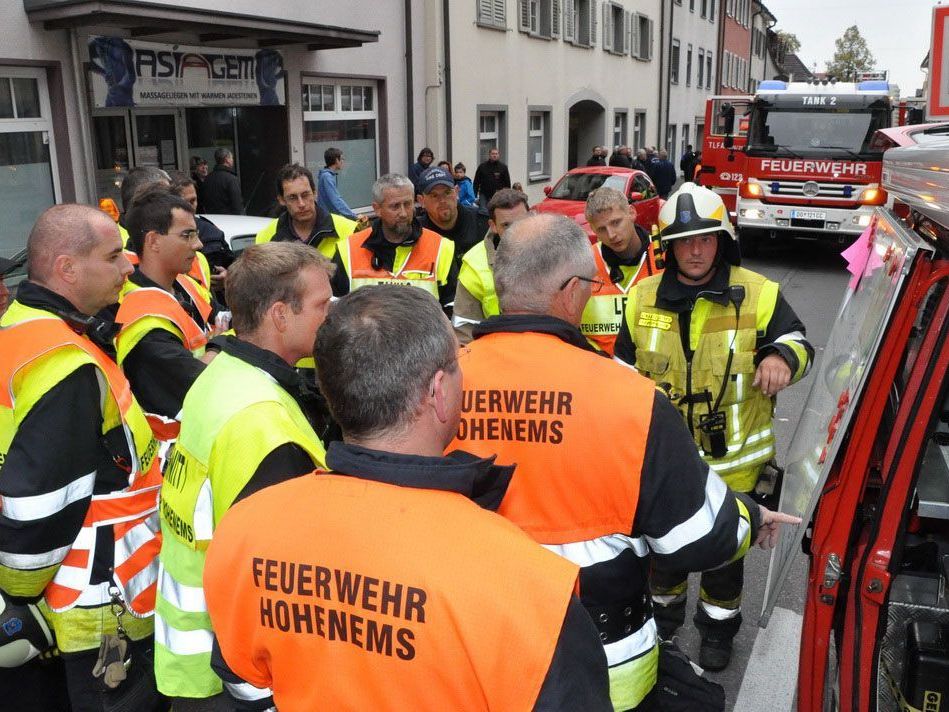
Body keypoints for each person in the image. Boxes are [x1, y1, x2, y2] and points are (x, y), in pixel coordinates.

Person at [449, 212, 801, 710]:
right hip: (597, 659)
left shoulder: (440, 384)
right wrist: (751, 515)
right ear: (572, 291)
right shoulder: (627, 394)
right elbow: (696, 536)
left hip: (476, 651)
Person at [204, 285, 613, 711]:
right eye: (458, 363)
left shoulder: (244, 530)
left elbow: (250, 689)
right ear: (439, 391)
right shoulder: (529, 587)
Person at [614, 183, 813, 671]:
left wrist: (782, 356)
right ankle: (663, 621)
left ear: (721, 240)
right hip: (664, 460)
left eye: (705, 238)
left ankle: (718, 629)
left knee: (725, 557)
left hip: (736, 467)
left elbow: (797, 339)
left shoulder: (759, 293)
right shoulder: (640, 299)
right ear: (668, 247)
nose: (696, 250)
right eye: (684, 241)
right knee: (664, 552)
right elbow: (620, 369)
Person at [154, 242, 332, 709]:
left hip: (193, 660)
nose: (330, 314)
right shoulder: (263, 422)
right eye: (321, 304)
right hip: (235, 676)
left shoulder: (221, 373)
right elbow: (278, 584)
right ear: (279, 314)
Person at [0, 204, 164, 711]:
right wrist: (20, 599)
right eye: (114, 255)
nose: (129, 265)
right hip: (94, 612)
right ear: (68, 269)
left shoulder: (21, 328)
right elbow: (36, 512)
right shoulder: (65, 365)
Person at [114, 187, 215, 444]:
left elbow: (224, 323)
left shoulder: (186, 284)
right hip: (173, 452)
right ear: (153, 241)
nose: (198, 244)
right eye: (187, 235)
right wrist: (224, 344)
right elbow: (202, 385)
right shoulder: (140, 316)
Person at [331, 173, 457, 315]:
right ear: (377, 209)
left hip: (424, 337)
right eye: (395, 206)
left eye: (408, 204)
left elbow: (452, 311)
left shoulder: (441, 247)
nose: (403, 213)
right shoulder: (348, 249)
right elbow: (335, 312)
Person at [580, 187, 662, 355]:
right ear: (593, 230)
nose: (611, 235)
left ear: (631, 213)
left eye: (616, 222)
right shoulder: (585, 264)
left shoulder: (663, 256)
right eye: (601, 229)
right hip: (601, 370)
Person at [453, 188, 530, 343]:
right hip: (497, 355)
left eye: (521, 223)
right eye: (507, 225)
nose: (515, 232)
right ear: (493, 225)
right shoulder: (474, 263)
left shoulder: (552, 251)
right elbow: (465, 330)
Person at [255, 163, 358, 259]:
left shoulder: (349, 230)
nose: (301, 204)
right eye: (292, 197)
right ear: (281, 200)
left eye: (305, 195)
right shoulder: (265, 237)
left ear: (314, 193)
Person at [169, 172, 233, 300]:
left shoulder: (211, 231)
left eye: (193, 200)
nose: (191, 207)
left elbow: (233, 264)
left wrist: (228, 277)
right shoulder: (163, 236)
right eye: (184, 203)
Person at [417, 166, 490, 263]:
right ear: (421, 201)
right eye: (434, 195)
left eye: (447, 192)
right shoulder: (417, 233)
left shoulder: (482, 223)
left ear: (456, 192)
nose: (442, 200)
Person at [317, 147, 360, 222]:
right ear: (337, 160)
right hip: (327, 220)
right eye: (342, 159)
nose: (343, 161)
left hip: (330, 217)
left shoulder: (328, 175)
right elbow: (336, 200)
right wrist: (353, 216)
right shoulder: (327, 177)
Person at [200, 148, 243, 215]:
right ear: (227, 160)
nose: (233, 160)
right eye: (231, 158)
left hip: (212, 220)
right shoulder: (231, 179)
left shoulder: (207, 179)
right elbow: (237, 206)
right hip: (230, 221)